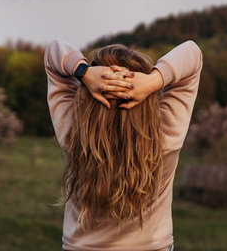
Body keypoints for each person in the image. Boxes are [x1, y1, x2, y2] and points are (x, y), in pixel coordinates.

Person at [44, 39, 203, 251]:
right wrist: (154, 80)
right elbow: (192, 53)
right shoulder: (165, 137)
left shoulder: (74, 134)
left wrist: (84, 72)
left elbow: (53, 53)